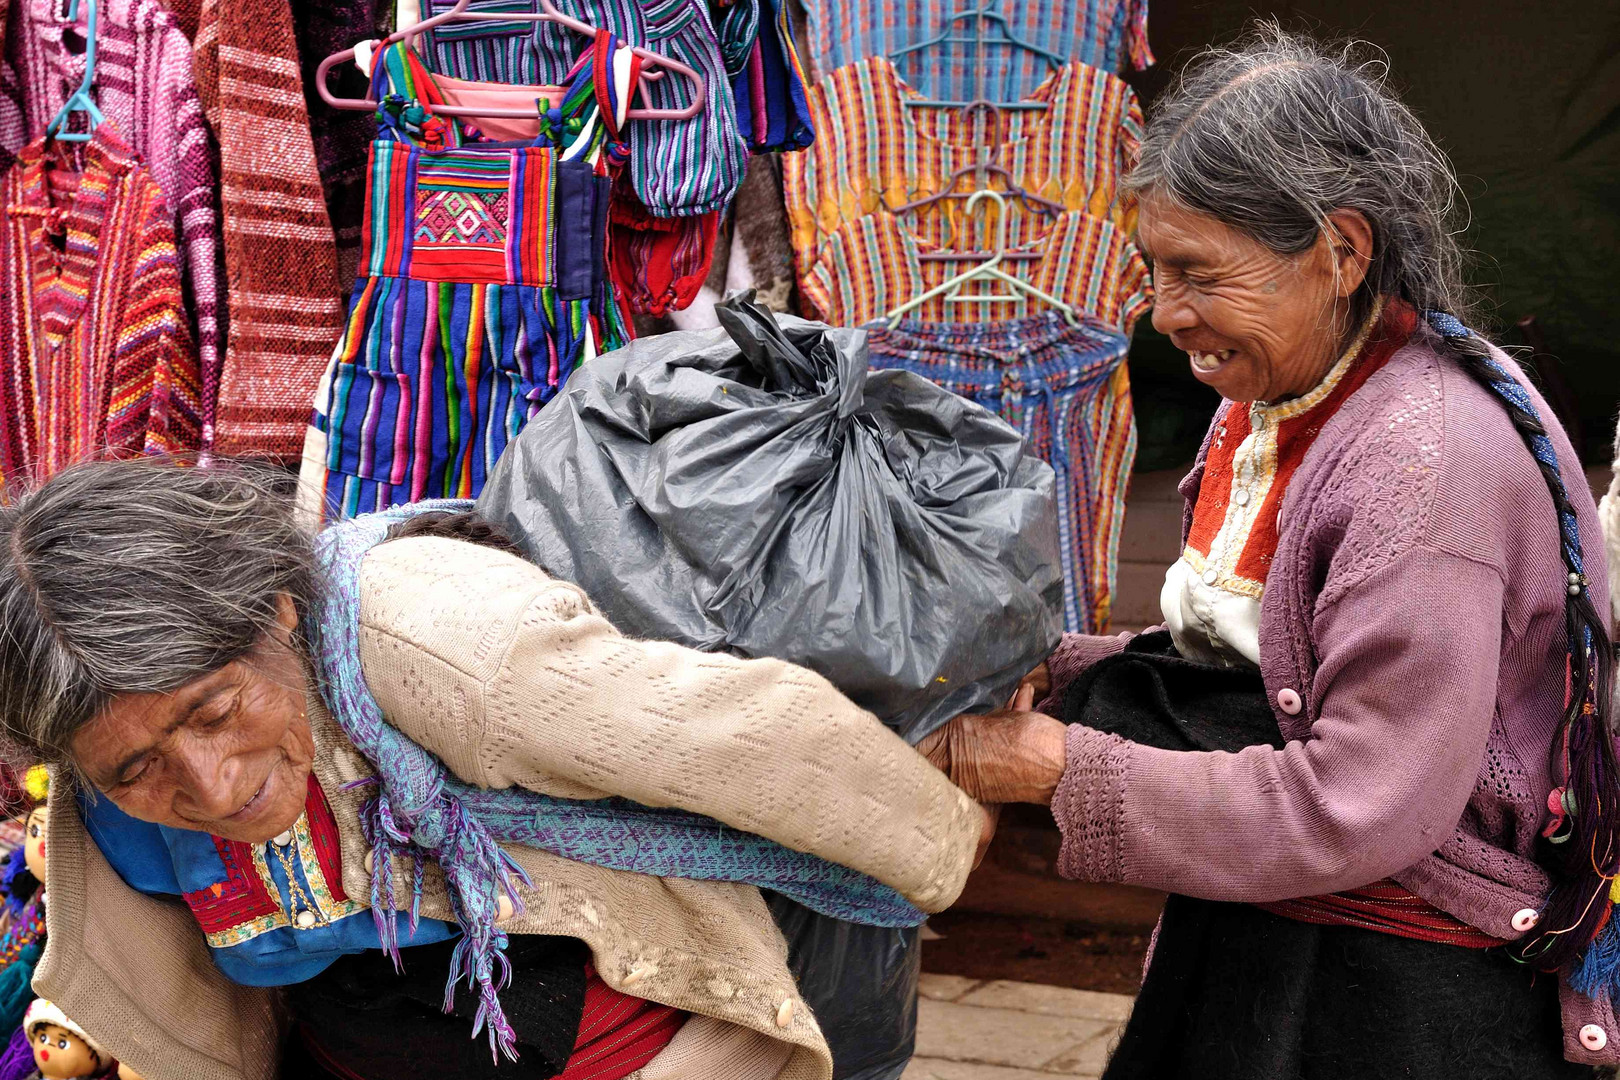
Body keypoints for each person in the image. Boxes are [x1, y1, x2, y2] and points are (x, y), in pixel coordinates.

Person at [920, 24, 1619, 1078]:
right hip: (1282, 925)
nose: (1168, 316)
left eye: (1198, 272)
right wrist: (1056, 671)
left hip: (1394, 996)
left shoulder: (1423, 469)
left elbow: (1358, 802)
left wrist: (1051, 765)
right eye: (1153, 271)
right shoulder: (1283, 397)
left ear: (1340, 251)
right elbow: (1273, 656)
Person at [0, 460, 989, 1080]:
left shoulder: (454, 649)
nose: (212, 788)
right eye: (137, 769)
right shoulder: (101, 780)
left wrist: (940, 840)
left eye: (215, 711)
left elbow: (738, 733)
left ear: (280, 613)